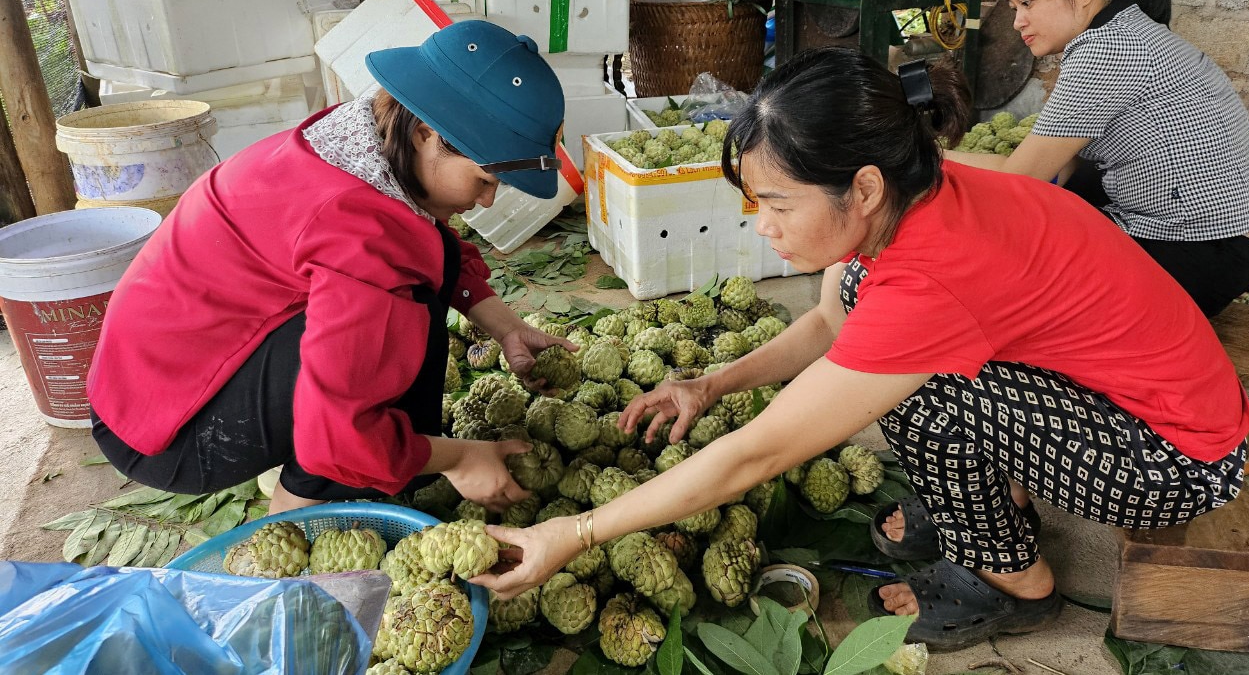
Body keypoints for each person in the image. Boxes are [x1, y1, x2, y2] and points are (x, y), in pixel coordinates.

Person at [473, 47, 1249, 651]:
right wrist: (709, 384)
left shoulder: (932, 278)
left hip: (1170, 460)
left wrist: (570, 535)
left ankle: (1016, 585)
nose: (761, 226)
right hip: (1119, 397)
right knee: (873, 330)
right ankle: (996, 503)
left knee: (925, 394)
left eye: (775, 203)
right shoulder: (921, 191)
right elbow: (827, 327)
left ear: (864, 186)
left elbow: (755, 456)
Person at [88, 21, 576, 515]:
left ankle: (352, 466)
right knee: (381, 349)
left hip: (158, 374)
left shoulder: (359, 141)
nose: (488, 202)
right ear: (429, 131)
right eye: (485, 180)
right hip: (174, 429)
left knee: (426, 266)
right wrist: (462, 459)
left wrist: (507, 329)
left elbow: (438, 253)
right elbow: (340, 431)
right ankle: (298, 513)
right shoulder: (362, 231)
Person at [945, 0, 1249, 316]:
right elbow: (1061, 164)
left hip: (1200, 254)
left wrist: (915, 156)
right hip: (1226, 241)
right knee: (1063, 191)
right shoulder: (1128, 27)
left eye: (1028, 2)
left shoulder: (1105, 51)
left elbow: (1017, 179)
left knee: (1017, 286)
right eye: (1015, 6)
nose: (1018, 20)